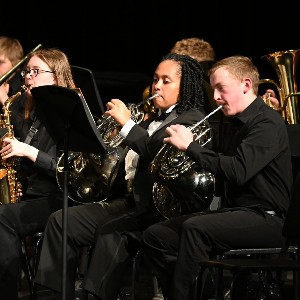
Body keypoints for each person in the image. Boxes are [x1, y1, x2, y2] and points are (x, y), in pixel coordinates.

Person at [34, 52, 210, 300]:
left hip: (157, 211)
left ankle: (96, 296)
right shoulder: (148, 117)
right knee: (62, 221)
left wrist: (127, 125)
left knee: (110, 233)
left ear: (185, 86)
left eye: (166, 80)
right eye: (155, 79)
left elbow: (157, 153)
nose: (156, 86)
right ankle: (54, 295)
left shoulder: (191, 119)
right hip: (128, 202)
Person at [142, 55, 293, 300]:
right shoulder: (226, 121)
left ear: (246, 85)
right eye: (213, 90)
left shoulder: (267, 122)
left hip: (269, 219)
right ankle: (202, 293)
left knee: (195, 228)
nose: (215, 97)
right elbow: (215, 165)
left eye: (221, 89)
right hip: (236, 214)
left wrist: (191, 147)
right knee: (156, 236)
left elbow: (237, 171)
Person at [0, 47, 77, 299]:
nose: (28, 77)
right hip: (31, 194)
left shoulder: (70, 115)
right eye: (27, 71)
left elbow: (68, 170)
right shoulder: (26, 109)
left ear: (56, 77)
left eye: (36, 71)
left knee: (3, 218)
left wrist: (28, 151)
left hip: (58, 198)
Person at [0, 36, 24, 106]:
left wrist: (3, 96)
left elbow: (23, 116)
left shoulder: (24, 89)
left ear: (16, 63)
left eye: (0, 62)